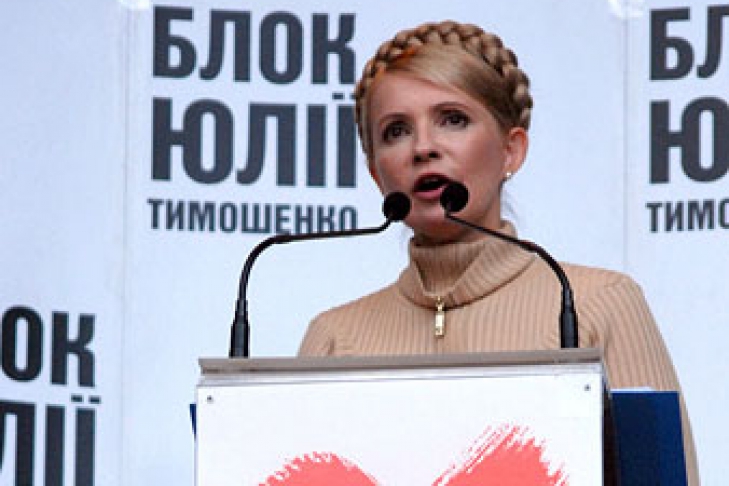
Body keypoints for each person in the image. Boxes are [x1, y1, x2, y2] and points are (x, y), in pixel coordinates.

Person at [298, 20, 698, 483]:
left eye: (453, 119)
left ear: (512, 150)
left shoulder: (599, 303)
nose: (423, 148)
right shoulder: (335, 338)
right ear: (375, 173)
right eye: (396, 131)